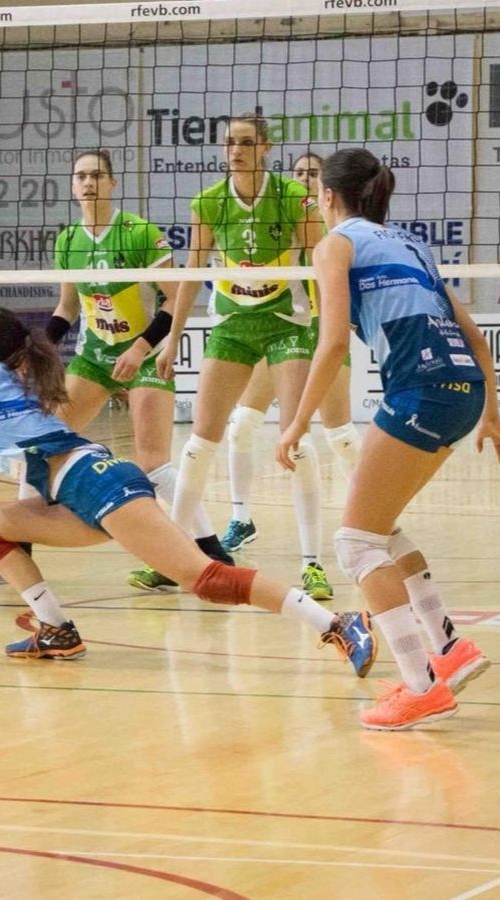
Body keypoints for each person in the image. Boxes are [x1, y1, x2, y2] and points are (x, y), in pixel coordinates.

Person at [0, 288, 376, 674]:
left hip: (98, 482)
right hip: (71, 498)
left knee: (205, 579)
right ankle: (57, 630)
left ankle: (336, 622)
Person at [275, 148, 500, 730]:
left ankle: (420, 686)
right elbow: (475, 337)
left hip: (420, 390)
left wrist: (296, 422)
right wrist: (494, 414)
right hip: (461, 392)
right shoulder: (412, 244)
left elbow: (332, 343)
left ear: (329, 197)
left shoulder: (335, 245)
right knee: (382, 526)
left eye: (315, 193)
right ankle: (451, 648)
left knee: (356, 545)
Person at [144, 113, 329, 599]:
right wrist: (173, 338)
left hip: (285, 321)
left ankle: (313, 564)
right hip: (231, 324)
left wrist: (330, 327)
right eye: (229, 143)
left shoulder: (294, 198)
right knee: (199, 442)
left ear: (265, 147)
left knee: (297, 442)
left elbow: (322, 263)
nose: (236, 150)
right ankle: (173, 560)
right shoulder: (208, 202)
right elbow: (190, 272)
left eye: (246, 142)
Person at [41, 150, 232, 580]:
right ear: (73, 186)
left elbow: (174, 295)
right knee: (43, 442)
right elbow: (67, 307)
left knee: (152, 462)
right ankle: (20, 541)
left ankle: (212, 551)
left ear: (112, 183)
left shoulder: (138, 232)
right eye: (81, 176)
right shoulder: (68, 240)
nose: (88, 183)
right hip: (95, 356)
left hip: (143, 353)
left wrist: (142, 347)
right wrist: (38, 348)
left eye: (96, 175)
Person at [220, 151, 359, 557]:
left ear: (325, 188)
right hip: (283, 329)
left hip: (324, 333)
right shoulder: (278, 221)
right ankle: (241, 519)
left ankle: (371, 519)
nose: (302, 180)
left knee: (340, 436)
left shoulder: (338, 232)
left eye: (311, 175)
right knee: (242, 423)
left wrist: (345, 321)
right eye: (297, 173)